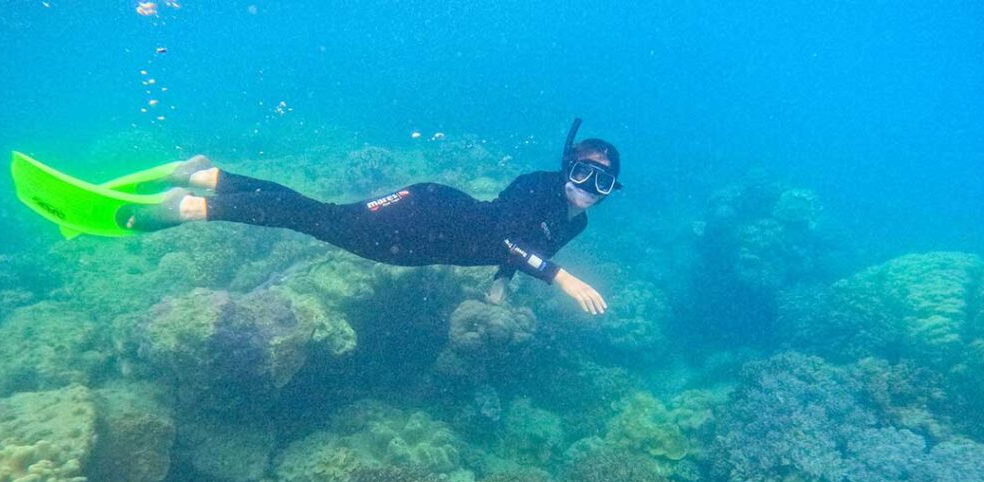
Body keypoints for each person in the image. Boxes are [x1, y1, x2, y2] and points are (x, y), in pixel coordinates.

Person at [119, 119, 621, 315]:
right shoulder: (539, 186)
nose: (586, 189)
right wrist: (560, 279)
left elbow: (526, 247)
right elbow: (503, 238)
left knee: (314, 214)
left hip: (427, 228)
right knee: (309, 219)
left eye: (601, 182)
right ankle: (186, 209)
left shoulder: (575, 221)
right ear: (565, 167)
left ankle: (206, 176)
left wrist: (502, 284)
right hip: (423, 221)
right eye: (582, 172)